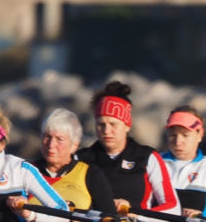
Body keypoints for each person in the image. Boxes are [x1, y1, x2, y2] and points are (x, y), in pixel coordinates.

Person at [76, 80, 180, 215]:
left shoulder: (147, 157)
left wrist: (136, 214)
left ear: (127, 126)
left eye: (113, 124)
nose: (106, 131)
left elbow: (173, 207)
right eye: (101, 124)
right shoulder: (81, 158)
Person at [31, 108, 117, 222]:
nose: (51, 145)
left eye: (59, 139)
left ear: (74, 145)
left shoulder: (90, 174)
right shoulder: (26, 170)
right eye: (47, 137)